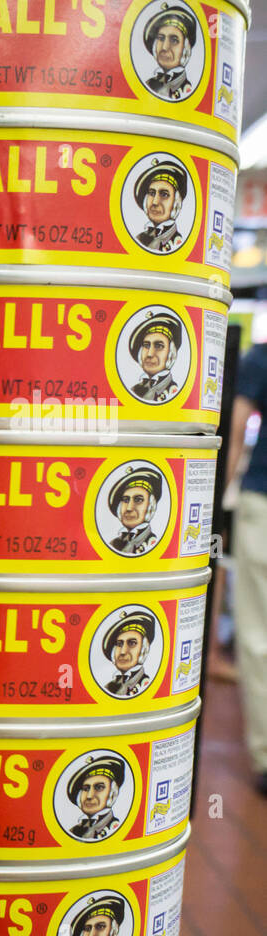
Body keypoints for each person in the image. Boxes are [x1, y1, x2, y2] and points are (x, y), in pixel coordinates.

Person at [226, 324, 267, 794]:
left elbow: (236, 431)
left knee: (257, 635)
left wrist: (220, 506)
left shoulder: (260, 358)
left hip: (262, 502)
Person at [141, 3, 199, 100]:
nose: (164, 47)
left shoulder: (186, 90)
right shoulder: (148, 83)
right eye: (161, 38)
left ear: (185, 48)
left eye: (174, 40)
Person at [105, 465, 165, 555]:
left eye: (138, 500)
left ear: (151, 506)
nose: (129, 508)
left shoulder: (152, 542)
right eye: (125, 500)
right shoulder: (113, 543)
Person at [128, 310, 184, 403]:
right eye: (146, 345)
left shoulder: (172, 391)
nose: (149, 354)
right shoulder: (134, 389)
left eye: (158, 346)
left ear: (171, 353)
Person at [133, 159, 188, 253]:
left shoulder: (177, 242)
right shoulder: (139, 238)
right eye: (151, 193)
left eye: (164, 194)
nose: (155, 202)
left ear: (176, 202)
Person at [66, 755, 126, 841]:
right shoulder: (74, 830)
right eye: (85, 789)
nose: (89, 796)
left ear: (112, 793)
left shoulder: (114, 826)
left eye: (99, 787)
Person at [100, 608, 157, 696]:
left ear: (143, 649)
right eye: (119, 644)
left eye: (132, 643)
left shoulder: (145, 682)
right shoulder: (109, 686)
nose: (123, 651)